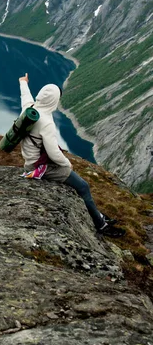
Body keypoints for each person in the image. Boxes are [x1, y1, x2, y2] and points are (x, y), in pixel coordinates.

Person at [19, 73, 125, 238]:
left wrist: (23, 83)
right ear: (53, 101)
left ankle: (99, 216)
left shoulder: (29, 109)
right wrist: (67, 164)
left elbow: (25, 97)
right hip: (40, 168)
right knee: (83, 186)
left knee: (80, 186)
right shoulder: (46, 122)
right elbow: (53, 152)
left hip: (29, 164)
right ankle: (101, 225)